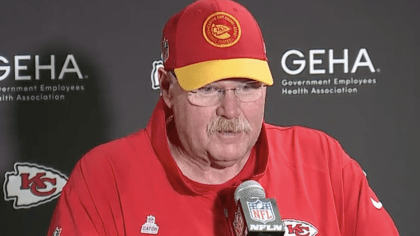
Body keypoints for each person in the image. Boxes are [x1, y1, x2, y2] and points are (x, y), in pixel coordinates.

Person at [47, 0, 399, 235]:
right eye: (209, 89)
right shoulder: (102, 178)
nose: (231, 111)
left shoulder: (322, 159)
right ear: (167, 88)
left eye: (247, 87)